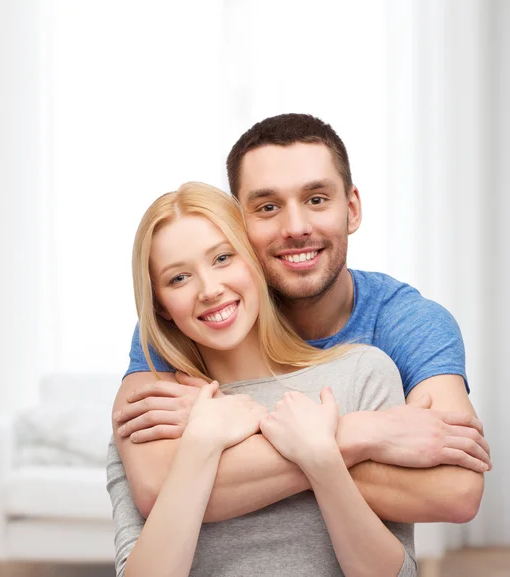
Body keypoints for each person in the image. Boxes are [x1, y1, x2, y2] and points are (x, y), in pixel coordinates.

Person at [112, 114, 489, 526]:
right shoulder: (200, 320)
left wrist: (237, 440)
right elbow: (155, 488)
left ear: (352, 209)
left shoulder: (408, 322)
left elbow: (455, 493)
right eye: (268, 207)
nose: (295, 227)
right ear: (238, 224)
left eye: (316, 199)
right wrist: (365, 434)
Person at [107, 182, 417, 576]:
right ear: (161, 307)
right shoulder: (155, 415)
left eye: (222, 258)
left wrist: (322, 458)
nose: (209, 289)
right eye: (179, 279)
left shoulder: (362, 374)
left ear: (253, 260)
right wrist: (202, 442)